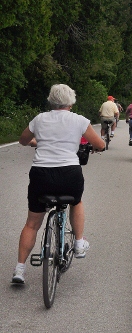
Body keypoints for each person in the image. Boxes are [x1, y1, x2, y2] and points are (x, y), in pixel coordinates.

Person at [12, 84, 105, 285]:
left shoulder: (39, 119)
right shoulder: (79, 120)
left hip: (41, 175)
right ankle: (79, 243)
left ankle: (19, 269)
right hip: (69, 174)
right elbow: (99, 144)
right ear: (71, 102)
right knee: (77, 201)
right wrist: (98, 148)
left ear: (51, 100)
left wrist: (39, 142)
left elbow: (23, 140)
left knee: (32, 223)